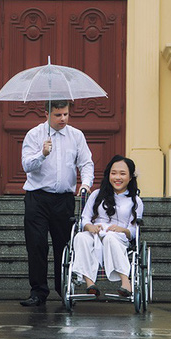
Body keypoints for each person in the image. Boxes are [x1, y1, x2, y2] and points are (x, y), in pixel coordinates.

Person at [19, 99, 93, 307]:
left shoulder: (76, 136)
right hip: (37, 198)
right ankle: (38, 292)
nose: (63, 119)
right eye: (58, 115)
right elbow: (26, 165)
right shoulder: (34, 135)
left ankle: (64, 289)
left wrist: (86, 184)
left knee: (64, 245)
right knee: (36, 245)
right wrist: (42, 154)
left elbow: (86, 163)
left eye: (66, 114)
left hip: (64, 199)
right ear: (47, 114)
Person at [71, 154, 143, 298]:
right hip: (95, 232)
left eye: (122, 174)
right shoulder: (97, 194)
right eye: (114, 173)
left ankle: (125, 282)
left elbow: (134, 230)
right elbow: (85, 218)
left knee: (110, 238)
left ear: (130, 177)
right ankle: (90, 283)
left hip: (118, 237)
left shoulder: (135, 201)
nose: (117, 177)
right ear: (108, 175)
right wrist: (89, 227)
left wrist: (123, 230)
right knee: (80, 238)